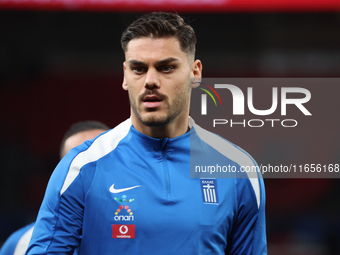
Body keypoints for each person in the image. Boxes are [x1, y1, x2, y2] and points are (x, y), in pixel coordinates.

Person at [26, 12, 267, 254]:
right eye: (139, 69)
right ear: (125, 75)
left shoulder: (238, 171)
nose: (150, 81)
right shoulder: (82, 168)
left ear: (195, 72)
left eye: (166, 67)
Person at [0, 121, 109, 255]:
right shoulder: (20, 243)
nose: (90, 176)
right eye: (78, 166)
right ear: (61, 174)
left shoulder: (137, 232)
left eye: (102, 163)